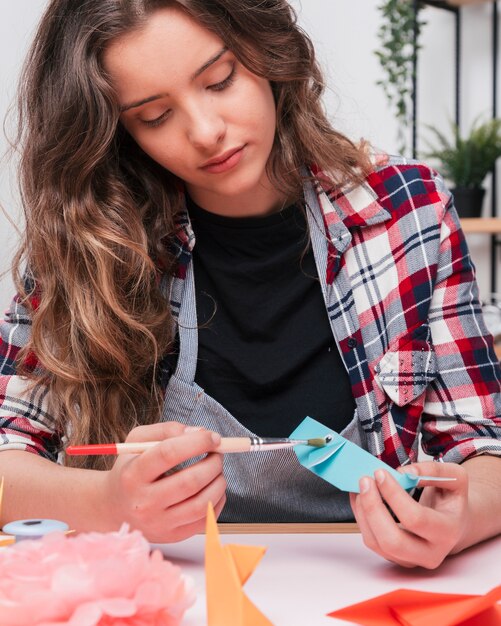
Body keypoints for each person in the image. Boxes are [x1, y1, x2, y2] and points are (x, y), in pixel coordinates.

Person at [0, 0, 500, 569]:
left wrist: (459, 517)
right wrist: (105, 500)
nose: (207, 132)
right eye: (154, 116)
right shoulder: (90, 242)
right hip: (171, 591)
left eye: (220, 80)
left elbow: (484, 445)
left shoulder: (409, 209)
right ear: (117, 131)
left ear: (267, 52)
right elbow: (6, 453)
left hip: (372, 584)